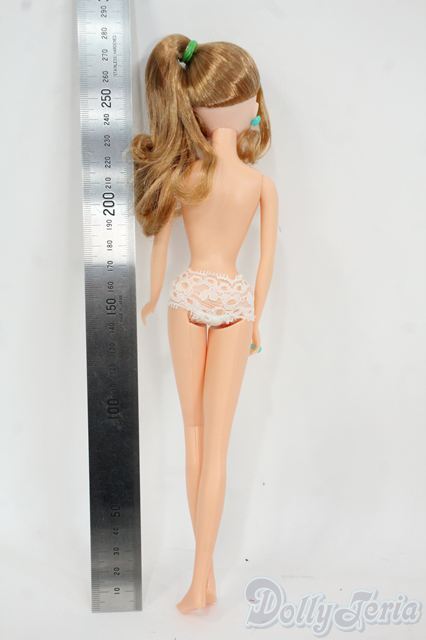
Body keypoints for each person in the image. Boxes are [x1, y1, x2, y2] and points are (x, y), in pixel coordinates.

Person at [131, 34, 278, 614]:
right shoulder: (260, 185)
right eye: (253, 96)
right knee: (215, 444)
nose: (258, 105)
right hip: (234, 302)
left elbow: (161, 250)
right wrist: (255, 317)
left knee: (194, 436)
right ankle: (202, 577)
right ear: (243, 105)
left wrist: (151, 297)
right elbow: (264, 264)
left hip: (187, 296)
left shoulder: (185, 175)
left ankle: (203, 578)